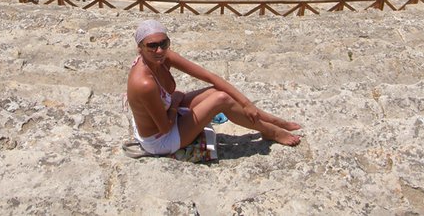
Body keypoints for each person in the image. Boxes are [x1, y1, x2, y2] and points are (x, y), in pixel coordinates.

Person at [126, 19, 302, 156]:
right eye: (152, 46)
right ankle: (271, 131)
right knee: (221, 100)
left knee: (216, 91)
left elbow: (210, 77)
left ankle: (275, 121)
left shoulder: (164, 57)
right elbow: (164, 128)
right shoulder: (144, 83)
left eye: (163, 43)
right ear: (140, 48)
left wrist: (246, 103)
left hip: (168, 115)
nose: (159, 50)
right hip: (161, 139)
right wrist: (174, 103)